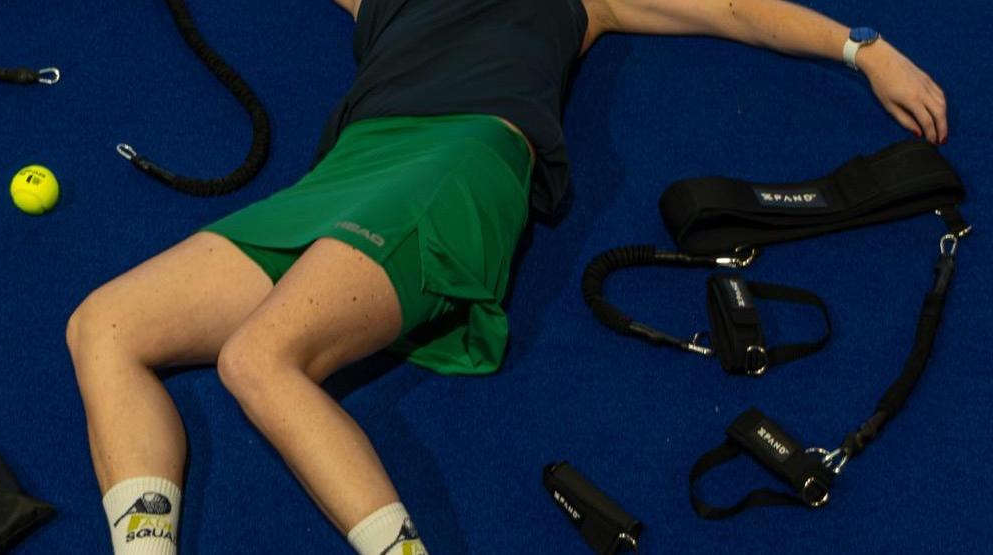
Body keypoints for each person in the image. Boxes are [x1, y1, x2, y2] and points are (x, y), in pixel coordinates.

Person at [66, 0, 947, 553]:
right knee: (103, 325)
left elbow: (735, 10)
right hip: (347, 172)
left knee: (259, 358)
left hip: (462, 156)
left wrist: (866, 49)